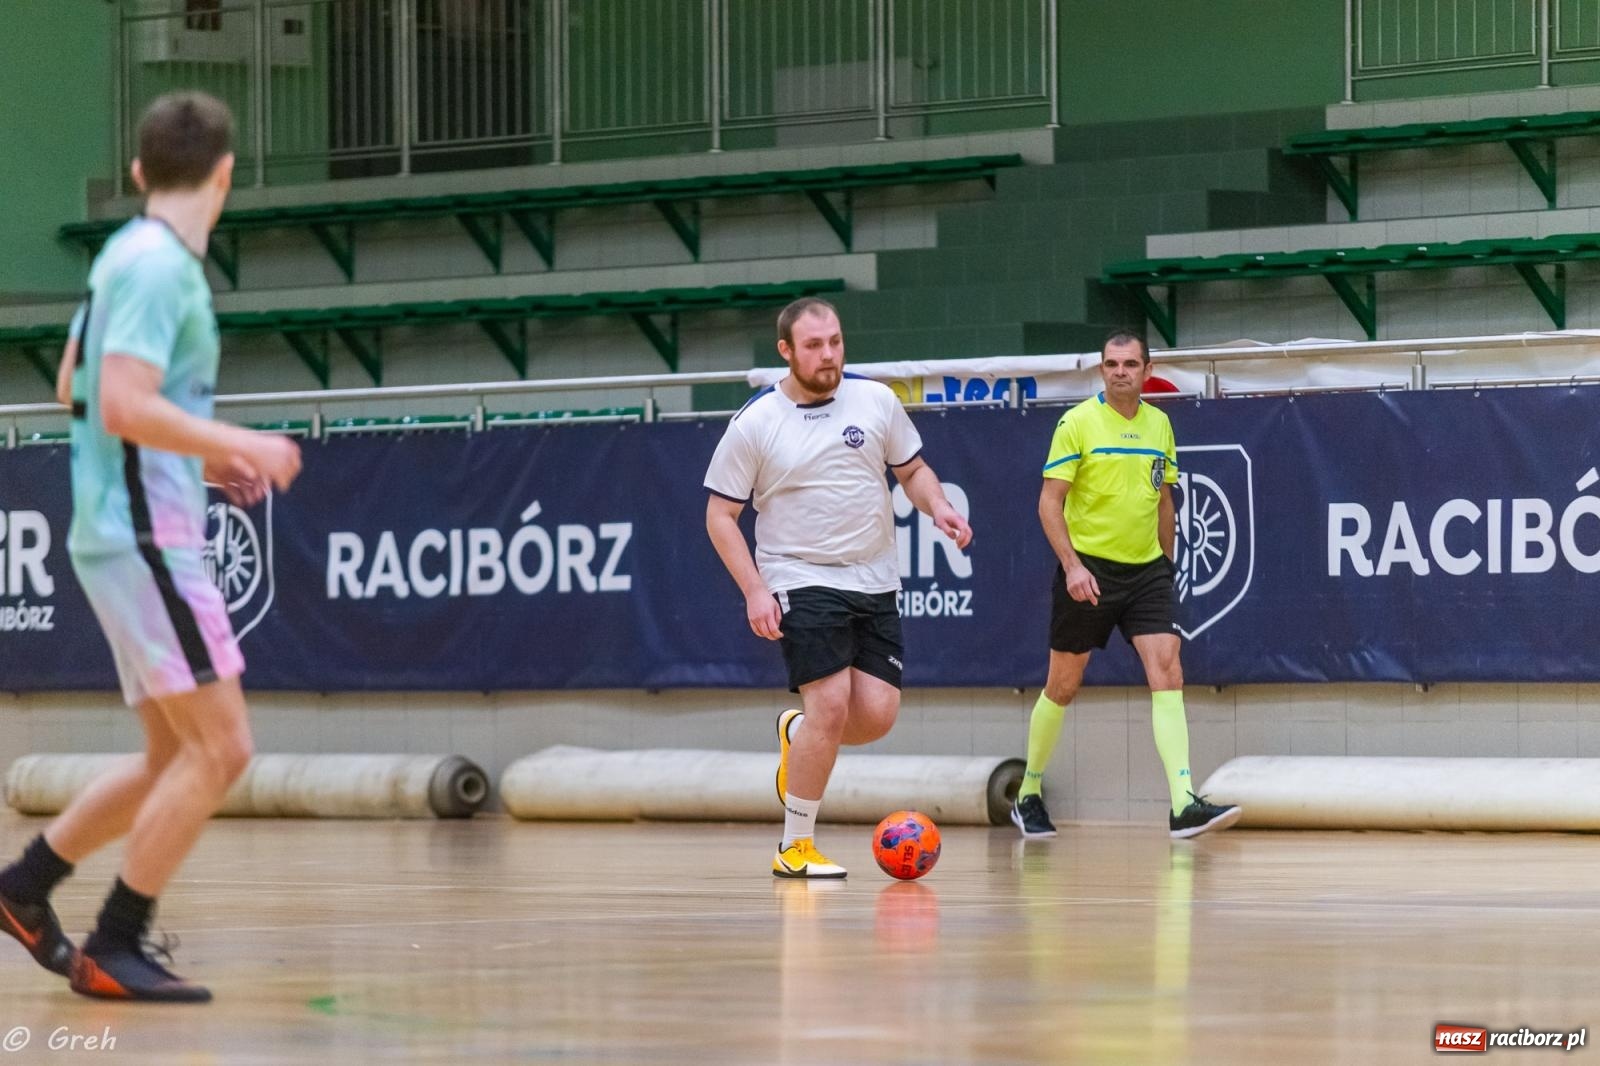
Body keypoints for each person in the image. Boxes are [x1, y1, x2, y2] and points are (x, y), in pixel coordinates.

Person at [0, 91, 301, 1002]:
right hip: (144, 539)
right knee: (225, 750)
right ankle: (113, 941)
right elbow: (119, 401)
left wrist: (194, 468)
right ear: (225, 174)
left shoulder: (120, 260)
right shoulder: (163, 268)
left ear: (136, 173)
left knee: (175, 757)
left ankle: (24, 888)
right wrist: (234, 444)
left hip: (129, 523)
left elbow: (72, 386)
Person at [704, 297, 973, 878]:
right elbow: (719, 516)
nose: (828, 355)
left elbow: (913, 471)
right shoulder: (756, 423)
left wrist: (939, 506)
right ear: (786, 351)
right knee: (828, 703)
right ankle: (795, 846)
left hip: (874, 577)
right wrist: (755, 590)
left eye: (835, 342)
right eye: (813, 345)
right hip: (799, 575)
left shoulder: (875, 400)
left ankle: (797, 735)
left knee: (875, 715)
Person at [1011, 330, 1240, 841]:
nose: (1120, 372)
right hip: (1088, 570)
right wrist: (1072, 566)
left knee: (1168, 671)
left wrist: (1169, 561)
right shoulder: (1076, 423)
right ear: (1102, 370)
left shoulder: (1160, 424)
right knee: (1063, 685)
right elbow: (1050, 504)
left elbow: (1163, 498)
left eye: (1130, 364)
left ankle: (1183, 802)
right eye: (1112, 364)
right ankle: (1028, 792)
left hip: (1148, 572)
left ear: (1145, 369)